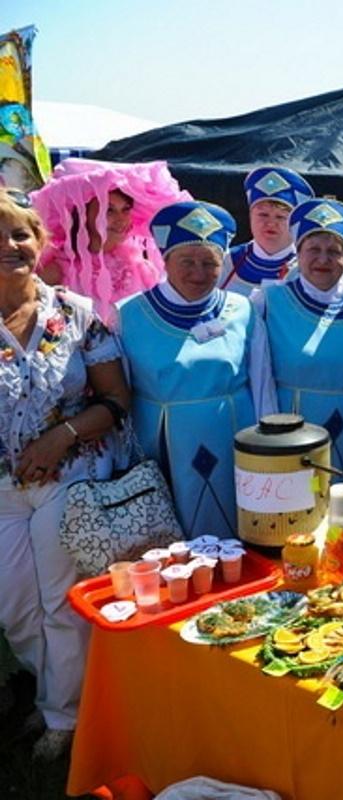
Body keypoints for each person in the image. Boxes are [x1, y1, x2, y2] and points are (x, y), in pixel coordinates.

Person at [0, 190, 130, 760]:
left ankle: (64, 717)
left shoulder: (75, 313)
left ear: (40, 241)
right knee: (15, 606)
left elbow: (116, 400)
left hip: (69, 478)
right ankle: (57, 691)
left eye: (19, 235)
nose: (9, 247)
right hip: (2, 492)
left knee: (59, 600)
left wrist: (62, 436)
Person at [118, 200, 274, 537]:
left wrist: (269, 452)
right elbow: (119, 393)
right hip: (162, 443)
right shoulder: (128, 315)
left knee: (239, 531)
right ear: (165, 260)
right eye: (186, 261)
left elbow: (262, 385)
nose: (198, 273)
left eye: (210, 263)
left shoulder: (242, 310)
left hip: (235, 437)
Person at [251, 198, 343, 512]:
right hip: (293, 431)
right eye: (313, 249)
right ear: (298, 253)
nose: (323, 259)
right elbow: (258, 375)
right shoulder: (269, 300)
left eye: (334, 251)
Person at [31, 158, 191, 325]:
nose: (121, 219)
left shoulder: (141, 268)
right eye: (109, 211)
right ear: (83, 216)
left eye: (125, 210)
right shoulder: (58, 271)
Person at [219, 166, 314, 296]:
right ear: (250, 216)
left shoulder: (311, 266)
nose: (270, 223)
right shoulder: (226, 261)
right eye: (263, 214)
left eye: (280, 217)